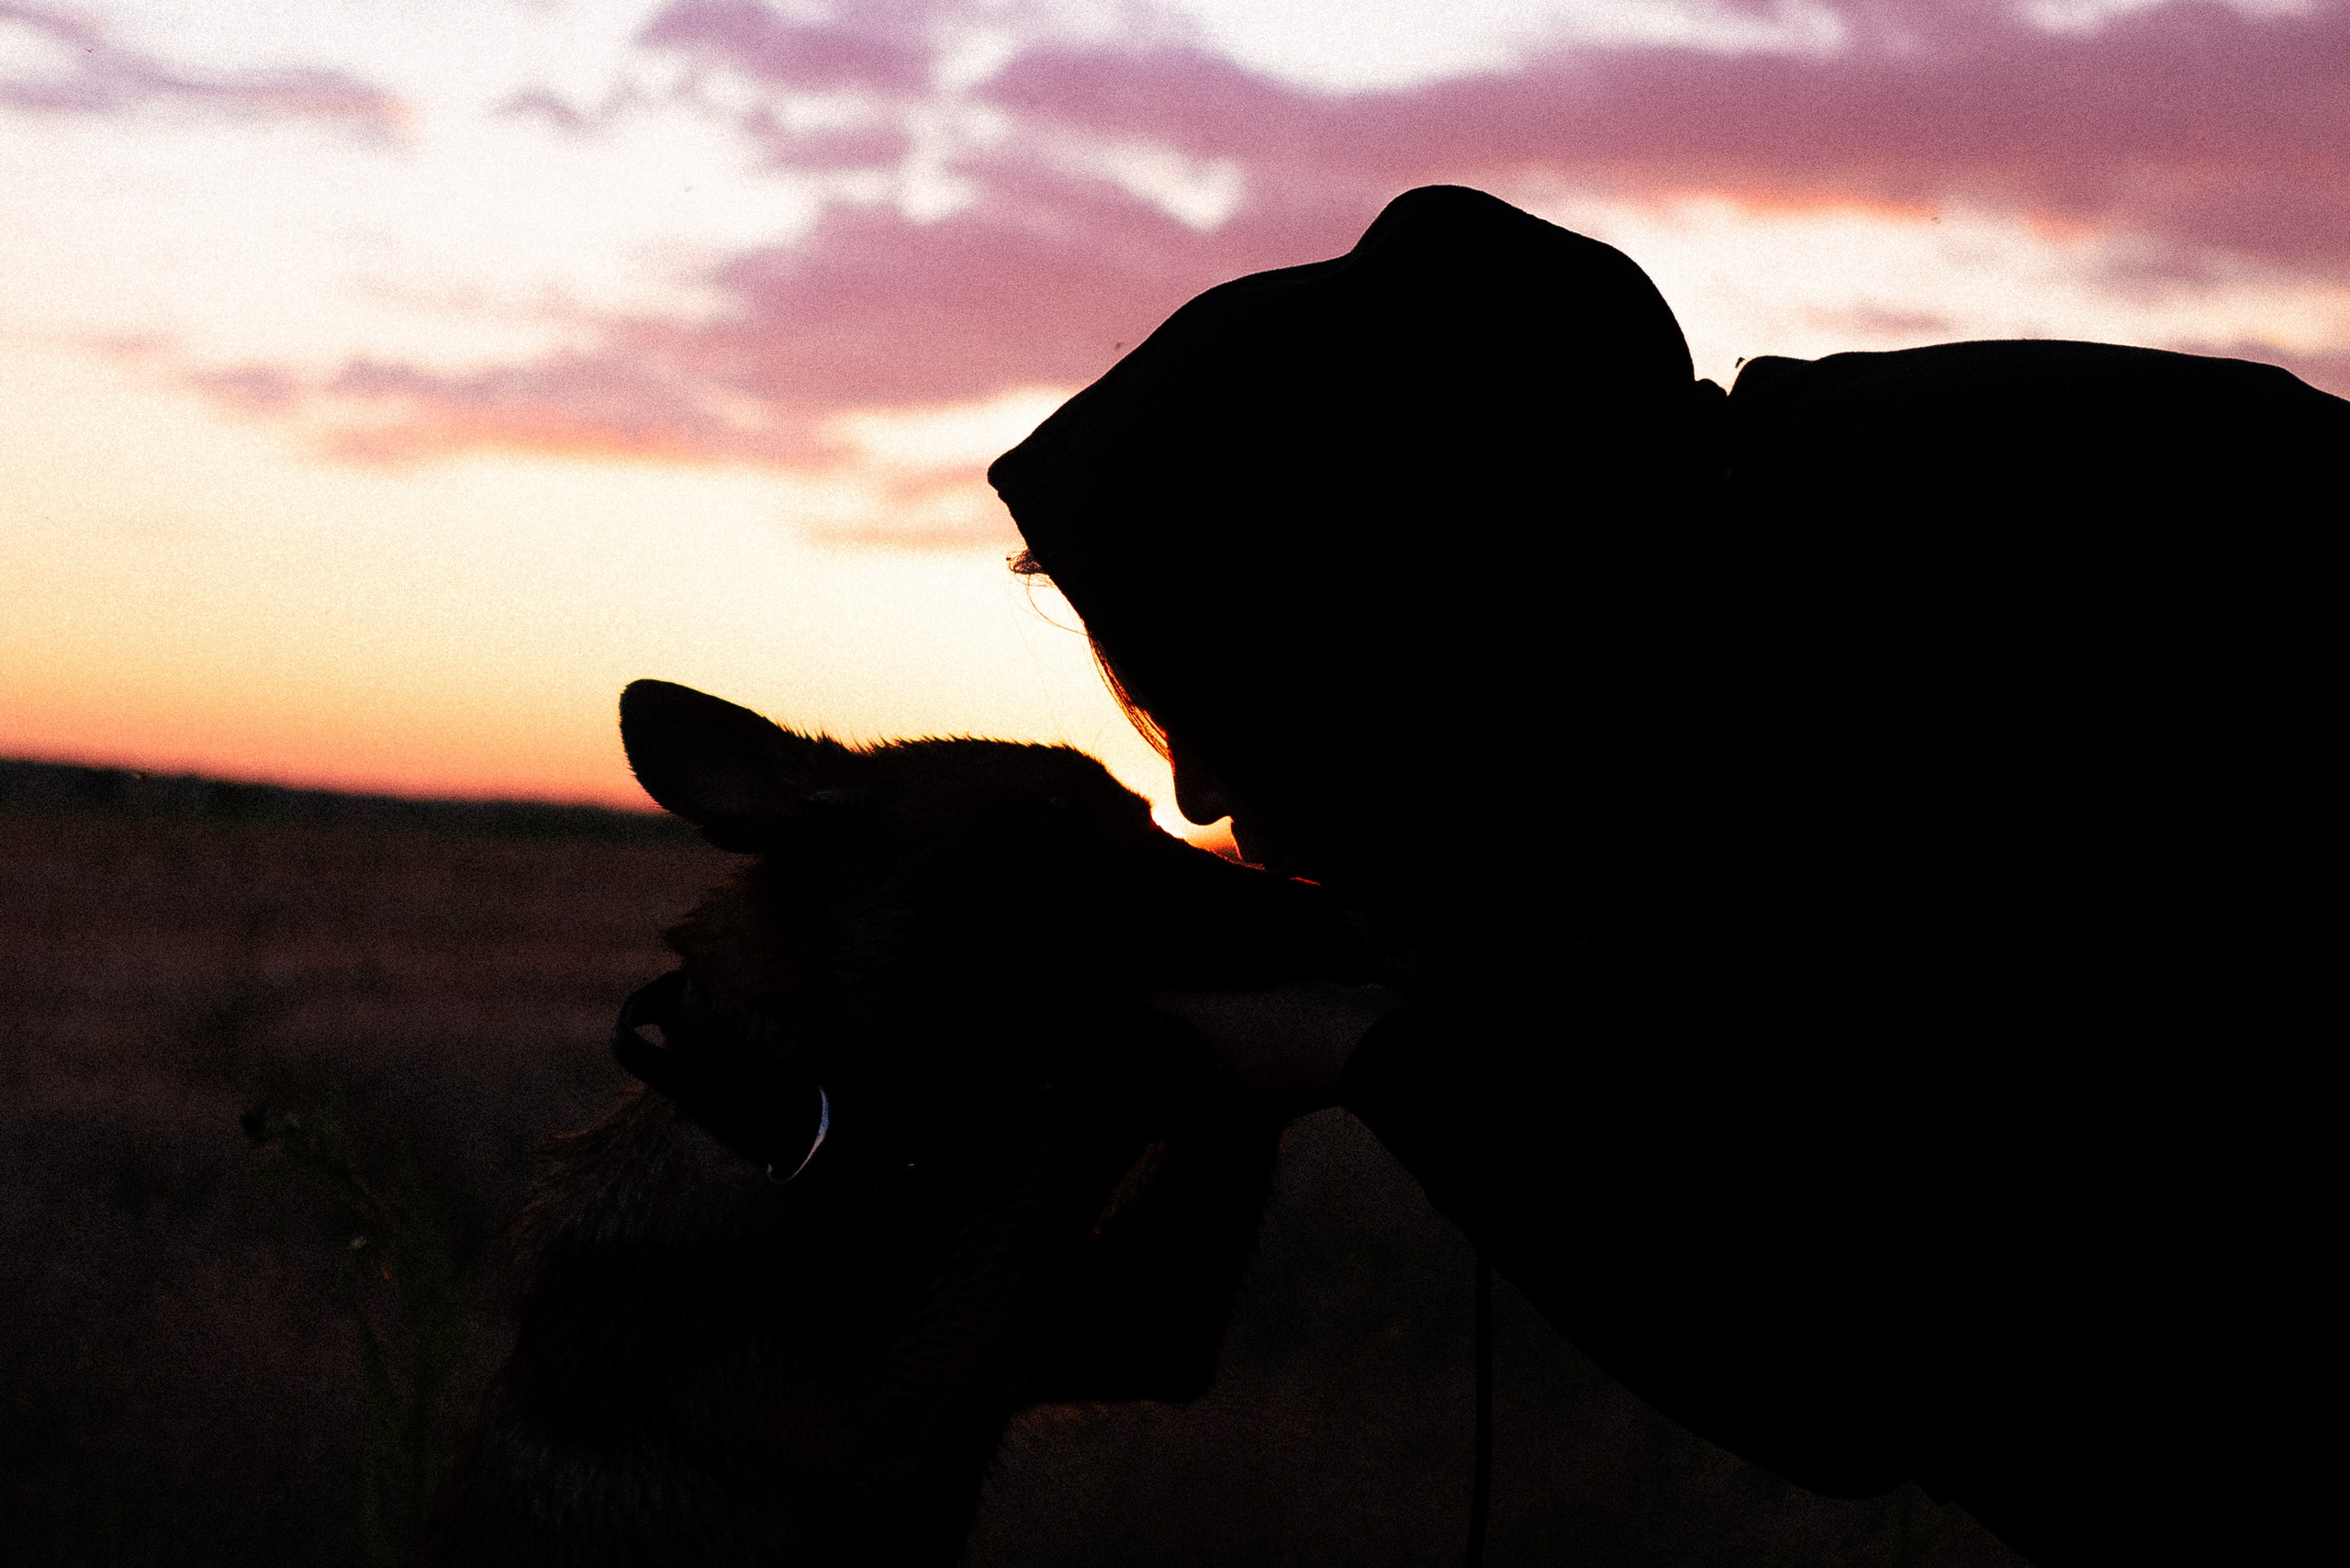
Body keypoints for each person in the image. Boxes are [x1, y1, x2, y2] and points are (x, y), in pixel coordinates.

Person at [986, 185, 2342, 1566]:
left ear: (1361, 622)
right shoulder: (1763, 575)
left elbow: (1874, 1365)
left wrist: (1385, 1063)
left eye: (1203, 703)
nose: (1198, 795)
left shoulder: (1895, 672)